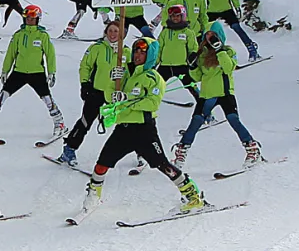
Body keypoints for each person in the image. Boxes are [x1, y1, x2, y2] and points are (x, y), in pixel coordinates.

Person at [77, 38, 207, 216]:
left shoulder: (154, 78)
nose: (138, 55)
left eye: (143, 52)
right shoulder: (126, 74)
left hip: (143, 130)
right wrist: (112, 81)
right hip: (123, 128)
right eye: (136, 51)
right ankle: (93, 195)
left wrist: (127, 98)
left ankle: (192, 194)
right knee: (102, 164)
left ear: (150, 55)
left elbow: (151, 104)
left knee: (163, 165)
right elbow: (110, 96)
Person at [173, 27, 262, 167]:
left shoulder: (228, 51)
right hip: (207, 94)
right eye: (207, 37)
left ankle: (252, 147)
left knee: (233, 119)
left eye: (213, 36)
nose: (210, 40)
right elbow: (197, 77)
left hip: (225, 93)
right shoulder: (202, 55)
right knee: (196, 122)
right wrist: (192, 66)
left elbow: (229, 68)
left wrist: (219, 50)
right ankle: (181, 151)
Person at [0, 5, 64, 140]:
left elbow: (50, 55)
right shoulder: (18, 35)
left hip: (37, 72)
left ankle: (59, 124)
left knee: (47, 99)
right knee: (3, 95)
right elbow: (10, 53)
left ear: (38, 19)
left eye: (32, 18)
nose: (29, 21)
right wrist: (5, 70)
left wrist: (51, 72)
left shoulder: (43, 36)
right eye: (27, 18)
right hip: (18, 72)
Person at [56, 21, 129, 167]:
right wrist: (85, 84)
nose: (113, 34)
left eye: (116, 31)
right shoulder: (97, 48)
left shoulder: (126, 51)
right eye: (110, 31)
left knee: (128, 123)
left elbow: (131, 72)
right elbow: (85, 66)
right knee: (85, 121)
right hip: (97, 91)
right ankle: (69, 149)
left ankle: (140, 152)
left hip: (116, 93)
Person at [156, 4, 203, 105]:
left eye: (177, 16)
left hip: (182, 66)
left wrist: (193, 55)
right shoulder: (165, 32)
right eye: (173, 16)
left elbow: (193, 47)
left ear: (183, 16)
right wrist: (154, 62)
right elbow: (159, 48)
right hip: (165, 66)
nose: (175, 18)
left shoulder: (188, 32)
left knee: (192, 87)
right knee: (155, 84)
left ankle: (206, 111)